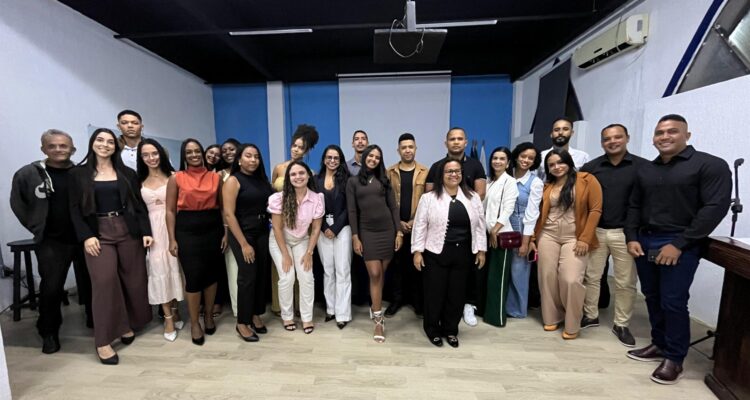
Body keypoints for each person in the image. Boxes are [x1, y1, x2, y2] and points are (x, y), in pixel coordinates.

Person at [625, 114, 731, 384]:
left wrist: (679, 244)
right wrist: (632, 237)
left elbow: (714, 208)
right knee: (651, 296)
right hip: (645, 240)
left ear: (687, 135)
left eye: (672, 131)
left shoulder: (710, 165)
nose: (665, 137)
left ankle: (674, 357)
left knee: (672, 301)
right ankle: (659, 344)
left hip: (680, 242)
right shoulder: (647, 170)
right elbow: (634, 205)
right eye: (659, 132)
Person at [68, 128, 152, 364]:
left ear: (116, 147)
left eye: (110, 142)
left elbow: (138, 205)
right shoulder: (78, 174)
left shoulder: (127, 173)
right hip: (98, 233)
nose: (105, 145)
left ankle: (126, 325)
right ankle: (103, 341)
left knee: (133, 280)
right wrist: (86, 236)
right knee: (104, 283)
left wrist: (146, 231)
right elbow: (73, 209)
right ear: (92, 143)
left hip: (127, 230)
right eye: (100, 140)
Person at [10, 129, 93, 354]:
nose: (58, 149)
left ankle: (93, 319)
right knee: (52, 287)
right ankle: (48, 331)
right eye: (52, 146)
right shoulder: (28, 174)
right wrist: (37, 227)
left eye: (63, 146)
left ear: (72, 149)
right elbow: (18, 203)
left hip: (84, 238)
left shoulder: (81, 173)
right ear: (43, 148)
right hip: (52, 241)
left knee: (92, 282)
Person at [579, 124, 647, 346]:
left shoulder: (643, 167)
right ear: (602, 142)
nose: (612, 141)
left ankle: (621, 324)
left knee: (625, 281)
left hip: (626, 233)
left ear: (627, 138)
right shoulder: (591, 168)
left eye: (618, 137)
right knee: (591, 276)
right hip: (596, 231)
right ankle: (590, 315)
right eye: (607, 138)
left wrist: (635, 233)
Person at [412, 159, 487, 347]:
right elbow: (420, 226)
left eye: (457, 171)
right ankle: (432, 329)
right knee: (434, 294)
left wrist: (481, 250)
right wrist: (417, 251)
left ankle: (451, 330)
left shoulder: (472, 197)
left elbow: (480, 225)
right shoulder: (428, 198)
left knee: (457, 294)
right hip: (435, 253)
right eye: (449, 171)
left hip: (463, 254)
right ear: (441, 175)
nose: (454, 174)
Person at [533, 149, 602, 340]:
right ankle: (552, 316)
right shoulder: (547, 186)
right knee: (547, 276)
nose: (556, 167)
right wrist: (532, 239)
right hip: (548, 235)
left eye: (560, 162)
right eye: (551, 165)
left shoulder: (587, 180)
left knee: (570, 279)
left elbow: (595, 210)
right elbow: (537, 214)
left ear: (569, 162)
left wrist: (585, 238)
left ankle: (572, 323)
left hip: (575, 237)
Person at [166, 138, 225, 346]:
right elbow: (170, 210)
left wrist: (226, 232)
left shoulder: (216, 177)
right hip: (187, 230)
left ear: (202, 152)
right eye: (189, 152)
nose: (194, 155)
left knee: (211, 275)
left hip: (213, 228)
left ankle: (208, 316)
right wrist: (172, 238)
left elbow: (223, 207)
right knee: (193, 277)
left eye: (197, 151)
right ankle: (194, 323)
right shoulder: (176, 178)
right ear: (184, 155)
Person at [425, 127, 486, 326]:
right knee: (439, 285)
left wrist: (463, 206)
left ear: (466, 142)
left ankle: (466, 307)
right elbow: (430, 197)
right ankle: (437, 320)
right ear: (446, 143)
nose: (456, 142)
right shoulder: (436, 167)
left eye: (460, 139)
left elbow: (480, 195)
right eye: (452, 139)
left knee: (462, 281)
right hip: (440, 239)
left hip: (466, 234)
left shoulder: (476, 165)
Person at [347, 144, 402, 342]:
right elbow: (352, 210)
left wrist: (398, 232)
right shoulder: (353, 182)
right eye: (370, 156)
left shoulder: (384, 179)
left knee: (381, 274)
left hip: (387, 231)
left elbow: (393, 207)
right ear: (364, 157)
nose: (373, 159)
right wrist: (355, 236)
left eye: (377, 157)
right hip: (367, 232)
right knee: (375, 273)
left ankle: (375, 306)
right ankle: (379, 321)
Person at [223, 144, 274, 342]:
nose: (253, 160)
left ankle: (255, 314)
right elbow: (229, 214)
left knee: (261, 275)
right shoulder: (233, 181)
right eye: (248, 156)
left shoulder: (261, 180)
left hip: (262, 231)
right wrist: (244, 244)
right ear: (239, 159)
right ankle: (242, 322)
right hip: (243, 233)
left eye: (256, 156)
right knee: (248, 277)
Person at [136, 138, 185, 342]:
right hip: (153, 231)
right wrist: (143, 232)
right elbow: (137, 211)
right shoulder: (138, 180)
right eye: (146, 155)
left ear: (161, 154)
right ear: (141, 158)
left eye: (154, 153)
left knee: (175, 268)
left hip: (173, 227)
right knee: (158, 270)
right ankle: (168, 319)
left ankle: (175, 309)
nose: (151, 158)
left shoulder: (174, 176)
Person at [268, 161, 324, 334]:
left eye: (301, 173)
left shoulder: (316, 198)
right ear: (288, 178)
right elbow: (277, 228)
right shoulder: (279, 198)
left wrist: (309, 253)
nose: (297, 177)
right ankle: (287, 316)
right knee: (287, 277)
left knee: (306, 277)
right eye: (293, 174)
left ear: (308, 176)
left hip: (302, 240)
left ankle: (307, 318)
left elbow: (316, 229)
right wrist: (285, 255)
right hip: (280, 241)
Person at [270, 125, 319, 315]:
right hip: (280, 226)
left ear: (306, 151)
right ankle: (281, 308)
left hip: (300, 228)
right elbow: (271, 192)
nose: (296, 150)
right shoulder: (279, 168)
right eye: (294, 145)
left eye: (301, 148)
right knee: (284, 271)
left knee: (303, 272)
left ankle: (301, 309)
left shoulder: (310, 173)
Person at [385, 133, 428, 317]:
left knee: (417, 265)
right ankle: (396, 300)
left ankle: (417, 302)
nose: (407, 150)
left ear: (416, 149)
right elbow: (385, 200)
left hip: (418, 226)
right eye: (404, 147)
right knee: (397, 266)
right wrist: (399, 223)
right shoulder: (389, 172)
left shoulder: (425, 172)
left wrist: (413, 221)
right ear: (398, 150)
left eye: (411, 147)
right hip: (396, 227)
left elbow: (428, 200)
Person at [315, 145, 352, 329]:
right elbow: (313, 206)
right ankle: (331, 309)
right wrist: (323, 227)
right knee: (328, 270)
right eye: (329, 157)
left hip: (342, 229)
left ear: (340, 160)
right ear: (324, 159)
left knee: (342, 270)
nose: (332, 161)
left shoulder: (347, 179)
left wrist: (335, 228)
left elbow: (350, 207)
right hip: (322, 229)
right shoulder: (315, 180)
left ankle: (343, 313)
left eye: (336, 158)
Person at [505, 142, 543, 318]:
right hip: (502, 226)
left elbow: (532, 214)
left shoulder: (535, 182)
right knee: (504, 269)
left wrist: (526, 242)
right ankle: (502, 305)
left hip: (521, 228)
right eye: (523, 156)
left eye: (531, 158)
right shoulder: (506, 175)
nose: (526, 160)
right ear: (516, 156)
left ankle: (517, 309)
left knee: (518, 270)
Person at [483, 147, 519, 327]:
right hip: (487, 234)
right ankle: (485, 312)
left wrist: (495, 231)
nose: (497, 161)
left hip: (501, 235)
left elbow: (508, 209)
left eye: (502, 159)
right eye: (495, 158)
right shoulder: (489, 182)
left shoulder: (510, 182)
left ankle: (496, 317)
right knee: (488, 277)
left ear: (508, 163)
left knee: (499, 278)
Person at [215, 138, 241, 318]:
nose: (228, 153)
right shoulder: (219, 175)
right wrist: (225, 231)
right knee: (233, 269)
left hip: (249, 225)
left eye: (231, 149)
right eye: (224, 151)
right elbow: (221, 206)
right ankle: (238, 309)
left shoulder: (247, 171)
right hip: (229, 225)